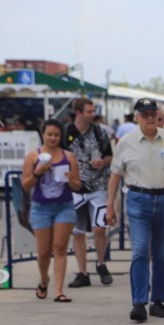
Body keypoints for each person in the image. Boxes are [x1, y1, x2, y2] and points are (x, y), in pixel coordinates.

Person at [106, 98, 164, 322]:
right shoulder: (126, 142)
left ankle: (159, 301)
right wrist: (110, 207)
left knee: (163, 254)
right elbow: (115, 175)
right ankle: (139, 302)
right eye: (145, 114)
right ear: (136, 117)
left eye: (153, 113)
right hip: (138, 200)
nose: (150, 117)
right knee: (141, 251)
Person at [22, 119, 81, 302]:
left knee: (60, 247)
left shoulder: (68, 156)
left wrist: (71, 179)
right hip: (41, 208)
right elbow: (25, 185)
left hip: (65, 206)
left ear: (60, 136)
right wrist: (38, 172)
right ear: (43, 134)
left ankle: (59, 291)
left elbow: (78, 186)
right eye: (49, 134)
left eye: (56, 135)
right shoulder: (33, 156)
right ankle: (43, 279)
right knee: (43, 252)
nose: (53, 138)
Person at [64, 97, 114, 289]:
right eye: (89, 112)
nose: (93, 115)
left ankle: (101, 263)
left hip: (97, 186)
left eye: (94, 111)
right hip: (74, 188)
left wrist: (103, 162)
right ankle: (82, 272)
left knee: (100, 227)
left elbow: (109, 155)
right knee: (77, 232)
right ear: (78, 113)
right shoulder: (67, 132)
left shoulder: (100, 132)